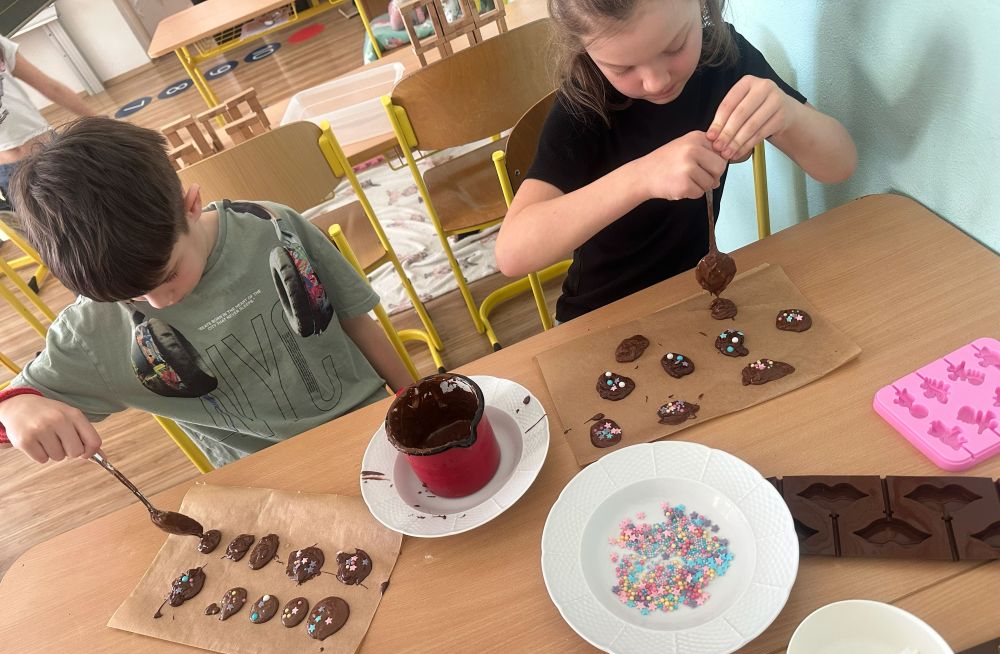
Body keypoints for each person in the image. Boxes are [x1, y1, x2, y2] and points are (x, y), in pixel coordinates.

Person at [0, 117, 412, 467]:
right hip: (268, 479)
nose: (159, 302)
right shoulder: (92, 329)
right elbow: (10, 409)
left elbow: (358, 322)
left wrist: (411, 399)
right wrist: (16, 409)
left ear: (191, 205)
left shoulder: (273, 225)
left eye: (169, 275)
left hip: (373, 427)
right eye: (133, 297)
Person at [494, 0, 857, 322]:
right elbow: (512, 253)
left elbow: (839, 165)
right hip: (598, 317)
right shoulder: (584, 105)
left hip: (693, 301)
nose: (656, 82)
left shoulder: (724, 58)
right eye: (623, 68)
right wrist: (643, 176)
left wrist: (789, 114)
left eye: (675, 46)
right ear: (585, 49)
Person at [0, 34, 95, 210]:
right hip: (9, 172)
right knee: (58, 224)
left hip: (51, 147)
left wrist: (99, 122)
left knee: (97, 203)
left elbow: (51, 87)